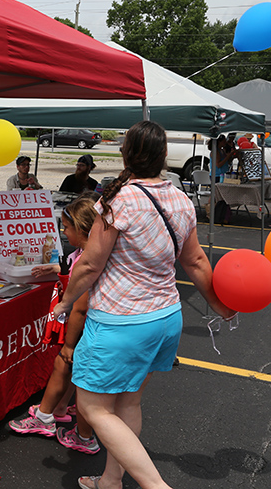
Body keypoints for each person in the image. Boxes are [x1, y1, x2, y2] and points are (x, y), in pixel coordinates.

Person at [54, 121, 236, 489]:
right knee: (128, 402)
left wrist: (65, 302)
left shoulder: (118, 201)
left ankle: (156, 486)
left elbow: (89, 265)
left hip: (122, 322)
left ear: (125, 154)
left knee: (93, 408)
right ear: (164, 156)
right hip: (165, 318)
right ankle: (110, 481)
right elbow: (196, 261)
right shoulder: (180, 198)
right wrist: (219, 304)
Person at [8, 193, 100, 455]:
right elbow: (68, 266)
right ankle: (60, 409)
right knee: (73, 369)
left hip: (79, 322)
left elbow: (80, 304)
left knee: (64, 362)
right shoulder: (86, 252)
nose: (63, 232)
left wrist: (69, 343)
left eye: (66, 228)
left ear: (81, 229)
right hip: (82, 321)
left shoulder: (87, 261)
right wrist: (53, 270)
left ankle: (44, 416)